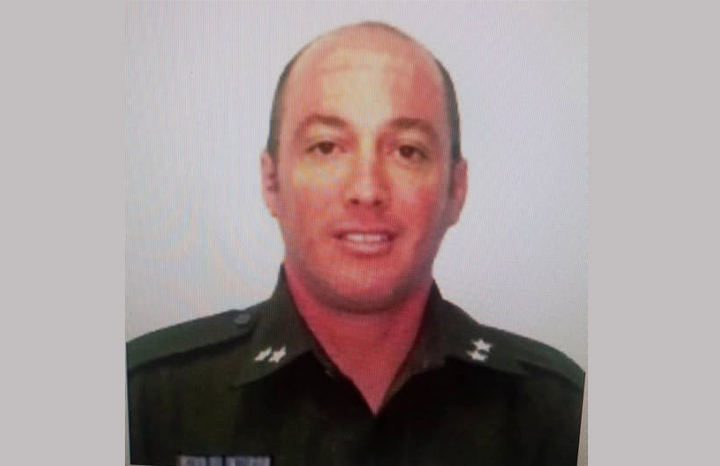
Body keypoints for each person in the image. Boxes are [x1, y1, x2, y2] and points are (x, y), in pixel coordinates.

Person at [127, 22, 585, 466]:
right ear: (271, 183)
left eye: (407, 151)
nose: (366, 190)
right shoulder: (146, 400)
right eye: (327, 147)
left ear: (455, 190)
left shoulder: (560, 414)